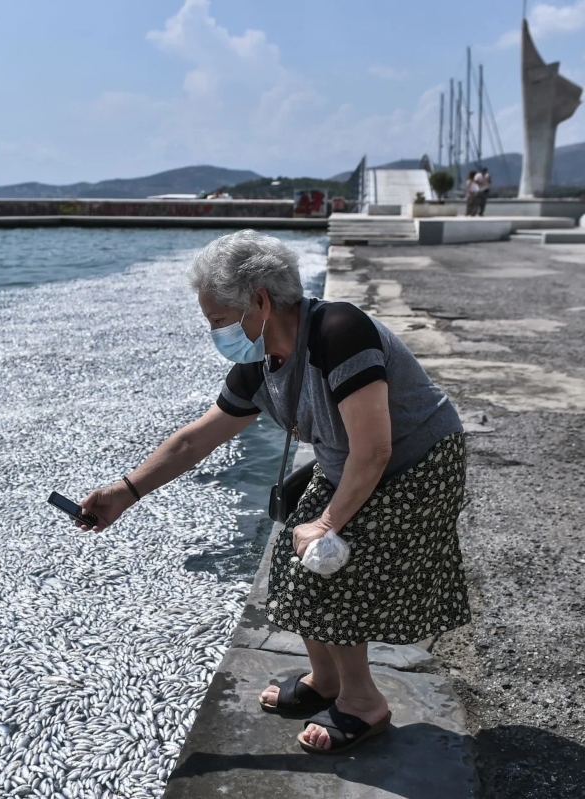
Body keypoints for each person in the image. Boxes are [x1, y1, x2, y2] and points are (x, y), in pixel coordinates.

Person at [77, 230, 471, 755]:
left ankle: (362, 703)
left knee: (332, 566)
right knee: (291, 561)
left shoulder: (339, 330)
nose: (215, 332)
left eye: (219, 319)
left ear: (260, 301)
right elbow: (197, 439)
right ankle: (325, 680)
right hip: (348, 462)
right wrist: (125, 492)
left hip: (416, 461)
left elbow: (375, 450)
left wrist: (327, 525)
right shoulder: (261, 362)